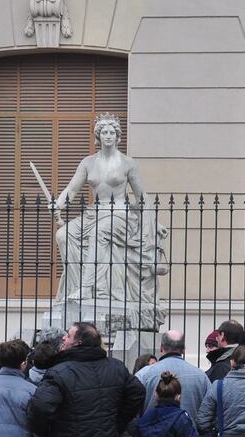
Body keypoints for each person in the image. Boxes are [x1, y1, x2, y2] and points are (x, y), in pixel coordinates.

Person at [52, 113, 166, 312]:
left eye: (112, 132)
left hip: (120, 215)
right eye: (104, 132)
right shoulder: (88, 162)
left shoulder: (128, 163)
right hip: (94, 213)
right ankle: (74, 285)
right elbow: (71, 189)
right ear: (98, 135)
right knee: (63, 235)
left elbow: (141, 197)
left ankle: (87, 288)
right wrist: (58, 204)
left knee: (99, 233)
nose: (108, 135)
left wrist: (152, 223)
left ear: (117, 135)